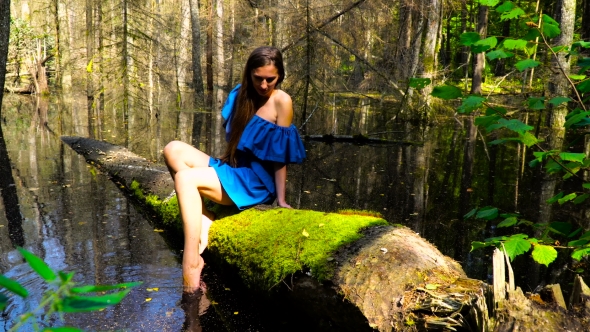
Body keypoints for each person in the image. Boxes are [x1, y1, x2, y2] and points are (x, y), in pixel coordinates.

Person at [163, 46, 306, 292]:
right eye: (258, 78)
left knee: (186, 178)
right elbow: (236, 140)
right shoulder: (240, 94)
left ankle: (192, 260)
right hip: (235, 169)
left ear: (280, 76)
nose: (263, 85)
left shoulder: (282, 101)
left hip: (256, 182)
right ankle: (204, 215)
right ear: (249, 74)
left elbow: (279, 157)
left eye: (270, 79)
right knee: (172, 148)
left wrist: (281, 199)